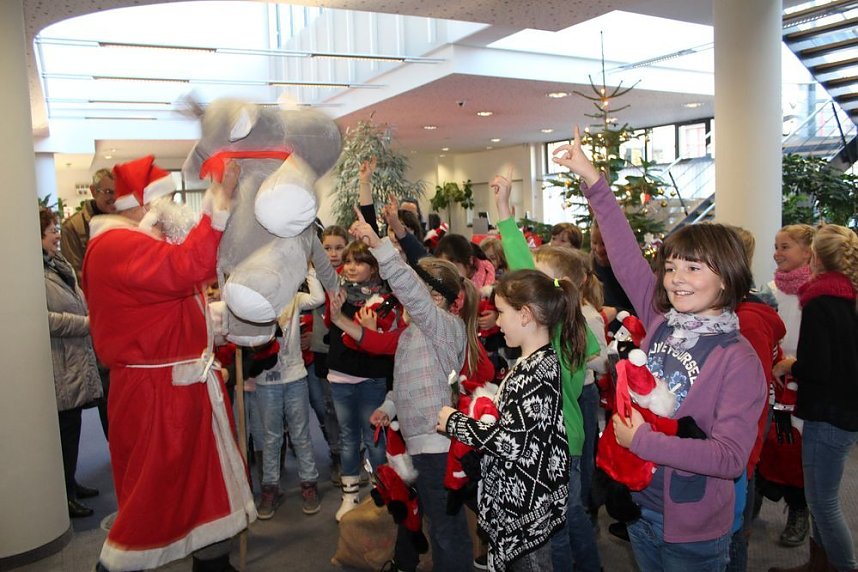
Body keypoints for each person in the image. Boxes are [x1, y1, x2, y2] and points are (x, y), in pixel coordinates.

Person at [554, 127, 767, 572]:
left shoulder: (738, 358)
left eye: (692, 267)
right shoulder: (662, 321)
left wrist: (644, 442)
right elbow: (627, 255)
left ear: (727, 278)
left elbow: (729, 458)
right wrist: (593, 181)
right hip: (639, 504)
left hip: (692, 524)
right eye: (671, 267)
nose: (676, 278)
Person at [82, 155, 254, 572]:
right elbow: (188, 268)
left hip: (179, 388)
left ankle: (214, 564)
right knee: (152, 502)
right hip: (157, 398)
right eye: (172, 198)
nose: (177, 207)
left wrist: (213, 324)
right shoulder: (117, 246)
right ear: (146, 204)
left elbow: (166, 305)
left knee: (204, 488)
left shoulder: (133, 244)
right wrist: (220, 201)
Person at [347, 206, 478, 572]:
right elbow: (402, 384)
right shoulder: (413, 334)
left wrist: (380, 247)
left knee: (448, 527)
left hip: (439, 445)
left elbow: (410, 290)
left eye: (418, 291)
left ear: (435, 298)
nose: (407, 295)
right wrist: (388, 410)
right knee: (438, 522)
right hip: (420, 441)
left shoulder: (443, 326)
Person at [438, 269, 580, 572]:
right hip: (525, 500)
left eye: (501, 313)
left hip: (524, 508)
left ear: (525, 314)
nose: (498, 321)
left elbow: (511, 442)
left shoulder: (534, 372)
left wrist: (455, 423)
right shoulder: (536, 362)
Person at [493, 176, 601, 572]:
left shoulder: (557, 330)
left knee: (555, 531)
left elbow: (520, 263)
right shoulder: (573, 327)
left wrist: (505, 214)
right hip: (565, 442)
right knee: (571, 520)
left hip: (555, 447)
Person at [769, 224, 858, 572]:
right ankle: (819, 563)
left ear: (816, 257)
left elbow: (818, 367)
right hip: (846, 408)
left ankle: (843, 565)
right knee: (823, 497)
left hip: (828, 410)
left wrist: (791, 364)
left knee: (823, 502)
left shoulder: (820, 301)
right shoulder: (849, 296)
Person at [40, 207, 104, 519]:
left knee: (73, 426)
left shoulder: (57, 265)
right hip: (60, 361)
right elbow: (44, 320)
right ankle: (64, 494)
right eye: (51, 230)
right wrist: (85, 323)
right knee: (65, 429)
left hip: (74, 359)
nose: (57, 236)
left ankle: (72, 484)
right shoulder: (33, 274)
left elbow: (76, 299)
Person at [757, 224, 816, 548]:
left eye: (786, 246)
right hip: (771, 379)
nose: (778, 253)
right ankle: (756, 504)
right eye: (776, 246)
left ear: (808, 252)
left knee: (794, 448)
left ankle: (798, 508)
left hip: (800, 381)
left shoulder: (816, 293)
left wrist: (794, 364)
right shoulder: (768, 291)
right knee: (770, 443)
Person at [255, 269, 325, 519]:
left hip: (295, 377)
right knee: (271, 437)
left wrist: (307, 268)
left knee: (301, 434)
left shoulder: (294, 298)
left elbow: (318, 298)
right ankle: (271, 488)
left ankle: (309, 483)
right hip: (267, 380)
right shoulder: (254, 305)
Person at [61, 167, 116, 439]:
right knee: (105, 381)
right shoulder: (73, 227)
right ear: (93, 192)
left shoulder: (121, 220)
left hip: (124, 312)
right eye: (107, 192)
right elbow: (76, 273)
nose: (113, 198)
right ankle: (113, 443)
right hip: (97, 314)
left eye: (117, 192)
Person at [590, 221, 633, 314]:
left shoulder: (631, 269)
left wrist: (616, 312)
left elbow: (646, 313)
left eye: (604, 243)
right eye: (594, 242)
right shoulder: (589, 268)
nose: (598, 249)